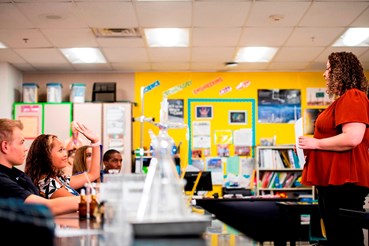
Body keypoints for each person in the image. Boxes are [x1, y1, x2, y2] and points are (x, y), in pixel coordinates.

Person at [298, 51, 369, 246]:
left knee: (345, 238)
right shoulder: (342, 100)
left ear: (341, 72)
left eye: (328, 69)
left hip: (344, 181)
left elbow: (353, 138)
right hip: (333, 182)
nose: (324, 74)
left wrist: (316, 143)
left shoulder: (353, 96)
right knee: (337, 237)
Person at [0, 118, 79, 215]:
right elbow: (46, 207)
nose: (26, 149)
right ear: (5, 146)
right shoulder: (2, 180)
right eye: (21, 143)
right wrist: (91, 199)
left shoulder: (17, 175)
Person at [25, 121, 101, 199]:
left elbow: (93, 175)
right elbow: (80, 204)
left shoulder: (59, 179)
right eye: (60, 150)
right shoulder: (47, 184)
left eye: (64, 149)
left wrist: (95, 142)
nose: (65, 154)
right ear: (46, 154)